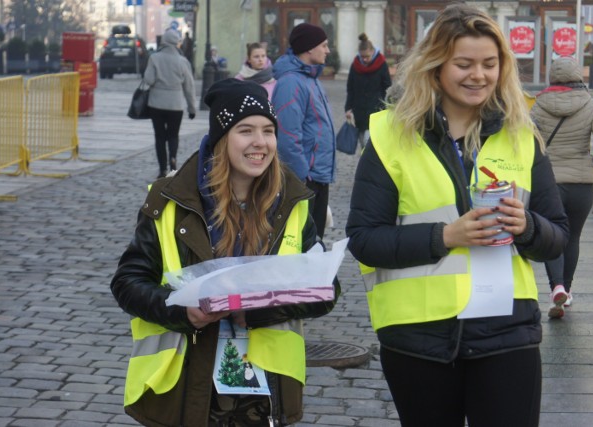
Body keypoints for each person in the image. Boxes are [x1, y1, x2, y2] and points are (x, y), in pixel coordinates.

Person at [345, 4, 569, 427]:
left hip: (507, 334)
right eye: (463, 64)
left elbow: (558, 235)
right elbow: (364, 240)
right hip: (418, 339)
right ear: (436, 67)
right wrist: (445, 236)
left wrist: (528, 227)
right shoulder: (391, 137)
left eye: (489, 64)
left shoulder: (522, 137)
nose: (478, 75)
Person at [111, 78, 340, 427]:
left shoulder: (293, 202)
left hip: (264, 389)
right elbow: (128, 282)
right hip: (185, 383)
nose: (260, 143)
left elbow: (326, 291)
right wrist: (181, 311)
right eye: (245, 130)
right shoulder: (170, 200)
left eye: (268, 130)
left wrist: (258, 311)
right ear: (221, 138)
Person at [531, 56, 593, 319]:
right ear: (578, 77)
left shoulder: (537, 106)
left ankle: (555, 286)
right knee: (573, 237)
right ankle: (566, 291)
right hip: (581, 183)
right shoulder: (591, 105)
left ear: (552, 79)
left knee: (551, 234)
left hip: (549, 182)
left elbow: (526, 140)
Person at [272, 23, 335, 239]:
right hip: (305, 179)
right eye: (324, 45)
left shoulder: (311, 78)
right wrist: (302, 176)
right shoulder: (291, 82)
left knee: (314, 239)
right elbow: (288, 136)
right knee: (303, 240)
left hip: (318, 175)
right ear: (309, 48)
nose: (327, 50)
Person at [143, 28, 196, 178]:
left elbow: (148, 80)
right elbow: (189, 86)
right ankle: (173, 159)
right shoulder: (183, 61)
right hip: (176, 105)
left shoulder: (154, 58)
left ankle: (162, 169)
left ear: (163, 42)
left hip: (156, 104)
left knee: (159, 136)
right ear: (176, 44)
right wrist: (192, 108)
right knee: (173, 135)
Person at [344, 33, 392, 150]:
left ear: (372, 52)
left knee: (369, 142)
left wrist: (386, 104)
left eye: (367, 57)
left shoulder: (381, 64)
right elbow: (350, 88)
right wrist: (348, 108)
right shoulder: (355, 65)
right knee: (362, 142)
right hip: (359, 109)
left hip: (376, 108)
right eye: (362, 57)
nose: (364, 59)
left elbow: (387, 86)